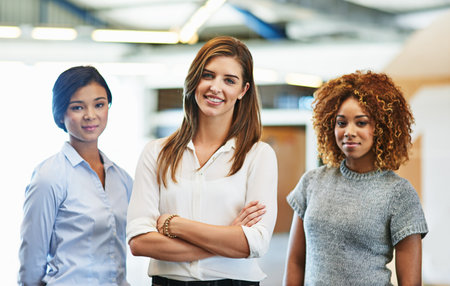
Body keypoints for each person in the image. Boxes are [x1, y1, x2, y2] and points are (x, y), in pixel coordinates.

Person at [126, 36, 278, 285]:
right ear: (194, 79)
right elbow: (140, 241)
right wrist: (228, 238)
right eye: (207, 75)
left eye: (229, 80)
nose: (216, 87)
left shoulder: (259, 156)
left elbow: (256, 243)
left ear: (243, 91)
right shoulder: (156, 153)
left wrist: (173, 224)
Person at [283, 70, 429, 285]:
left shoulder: (398, 192)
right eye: (341, 123)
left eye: (361, 123)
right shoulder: (312, 182)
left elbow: (410, 282)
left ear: (381, 128)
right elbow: (296, 262)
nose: (349, 132)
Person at [18, 66, 133, 285]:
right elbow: (32, 257)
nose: (90, 115)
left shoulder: (122, 179)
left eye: (99, 105)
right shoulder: (49, 177)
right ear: (61, 113)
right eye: (78, 107)